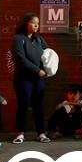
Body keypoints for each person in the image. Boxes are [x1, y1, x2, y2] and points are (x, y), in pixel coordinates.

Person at [11, 13, 51, 144]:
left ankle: (41, 133)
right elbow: (21, 59)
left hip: (39, 80)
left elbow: (49, 54)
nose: (36, 26)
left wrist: (49, 69)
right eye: (34, 23)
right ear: (26, 23)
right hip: (24, 79)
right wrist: (37, 70)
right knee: (23, 104)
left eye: (38, 24)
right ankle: (20, 134)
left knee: (38, 106)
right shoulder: (18, 39)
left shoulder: (39, 40)